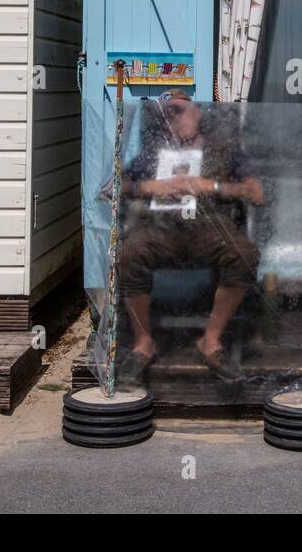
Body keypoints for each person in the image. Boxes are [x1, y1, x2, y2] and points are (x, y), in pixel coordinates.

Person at [110, 90, 264, 381]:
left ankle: (211, 340)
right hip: (161, 228)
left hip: (210, 227)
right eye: (168, 114)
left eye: (180, 111)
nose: (174, 119)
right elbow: (116, 186)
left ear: (198, 113)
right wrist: (149, 188)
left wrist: (212, 186)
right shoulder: (154, 151)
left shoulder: (223, 148)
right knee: (129, 254)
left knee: (244, 254)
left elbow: (257, 193)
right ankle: (143, 342)